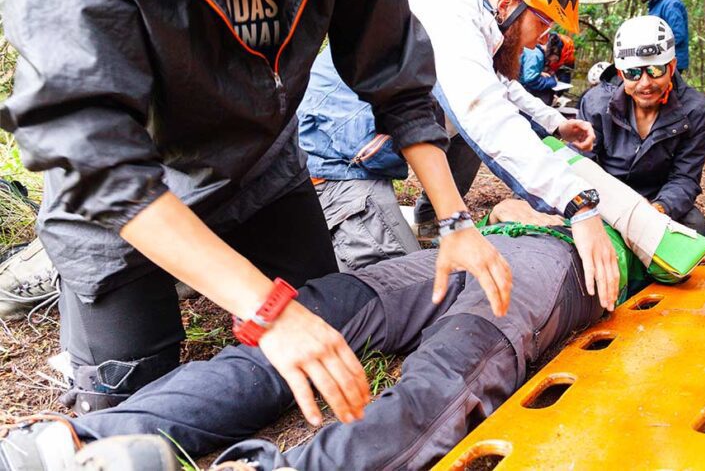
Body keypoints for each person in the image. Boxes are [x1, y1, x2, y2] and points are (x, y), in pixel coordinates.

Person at [0, 0, 511, 419]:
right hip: (124, 207)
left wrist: (456, 219)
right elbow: (95, 156)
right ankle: (58, 286)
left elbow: (392, 65)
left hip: (258, 168)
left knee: (335, 320)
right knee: (131, 409)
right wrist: (266, 309)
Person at [0, 200, 662, 471]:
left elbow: (666, 231)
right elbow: (514, 197)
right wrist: (570, 202)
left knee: (450, 374)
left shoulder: (647, 203)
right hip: (470, 246)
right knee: (318, 313)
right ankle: (84, 442)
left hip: (549, 266)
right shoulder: (551, 144)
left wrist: (595, 214)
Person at [406, 0, 621, 311]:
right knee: (408, 288)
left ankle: (426, 220)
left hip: (385, 141)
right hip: (341, 160)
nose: (544, 38)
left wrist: (556, 124)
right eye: (543, 23)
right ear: (506, 5)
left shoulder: (481, 19)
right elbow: (487, 114)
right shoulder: (448, 17)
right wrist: (579, 205)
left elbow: (503, 88)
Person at [578, 16, 705, 236]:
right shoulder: (596, 104)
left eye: (655, 70)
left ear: (672, 66)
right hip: (604, 197)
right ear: (621, 73)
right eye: (633, 73)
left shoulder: (696, 110)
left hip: (656, 197)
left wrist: (657, 210)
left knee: (694, 227)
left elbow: (685, 177)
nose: (645, 83)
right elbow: (583, 165)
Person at [298, 46, 420, 271]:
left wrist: (438, 218)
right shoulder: (425, 41)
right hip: (335, 173)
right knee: (414, 282)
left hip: (353, 160)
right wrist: (456, 222)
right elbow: (366, 149)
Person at [633, 0, 690, 72]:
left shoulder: (670, 5)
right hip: (660, 62)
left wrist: (656, 49)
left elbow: (678, 35)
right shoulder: (655, 6)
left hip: (671, 63)